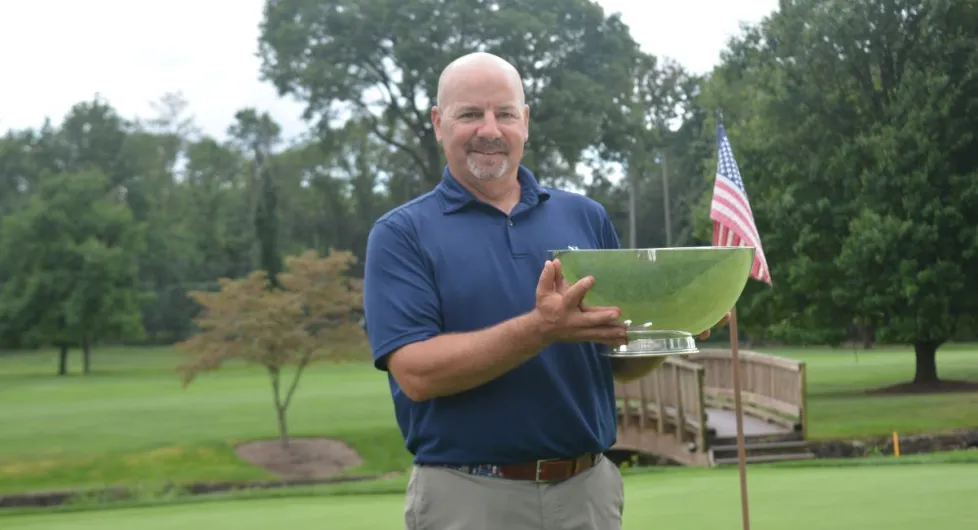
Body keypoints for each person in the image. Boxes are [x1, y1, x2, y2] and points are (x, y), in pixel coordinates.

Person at [363, 52, 725, 530]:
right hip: (469, 499)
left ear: (525, 122)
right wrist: (541, 329)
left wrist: (677, 326)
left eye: (505, 113)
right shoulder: (402, 234)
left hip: (587, 492)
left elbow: (617, 360)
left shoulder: (585, 217)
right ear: (438, 122)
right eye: (470, 113)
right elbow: (416, 374)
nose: (490, 129)